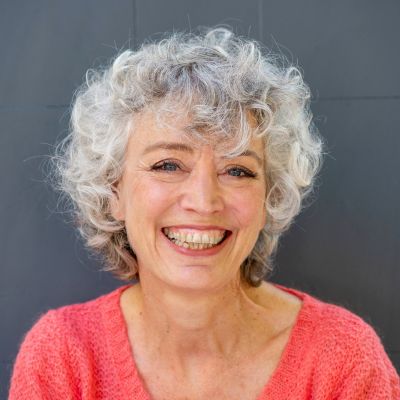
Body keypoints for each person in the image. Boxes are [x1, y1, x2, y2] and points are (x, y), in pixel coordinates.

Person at [9, 28, 399, 399]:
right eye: (167, 165)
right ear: (114, 191)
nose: (203, 200)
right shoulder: (62, 357)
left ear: (270, 199)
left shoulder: (344, 360)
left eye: (237, 170)